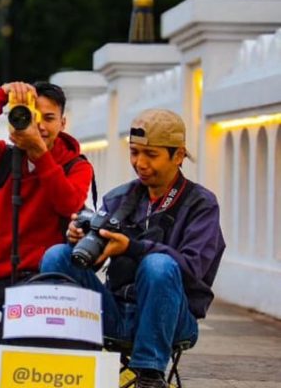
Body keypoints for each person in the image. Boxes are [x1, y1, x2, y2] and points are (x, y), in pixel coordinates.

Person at [41, 109, 225, 388]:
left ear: (178, 156)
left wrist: (132, 248)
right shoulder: (120, 198)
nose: (140, 163)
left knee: (158, 264)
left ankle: (149, 375)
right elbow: (93, 262)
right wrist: (81, 241)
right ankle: (62, 359)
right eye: (134, 152)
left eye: (151, 155)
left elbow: (193, 269)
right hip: (115, 312)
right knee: (57, 256)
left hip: (172, 319)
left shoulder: (201, 203)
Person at [0, 81, 94, 309]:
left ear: (63, 123)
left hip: (45, 278)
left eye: (49, 118)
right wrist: (1, 95)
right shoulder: (3, 159)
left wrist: (38, 152)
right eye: (33, 116)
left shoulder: (76, 166)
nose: (39, 125)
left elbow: (68, 204)